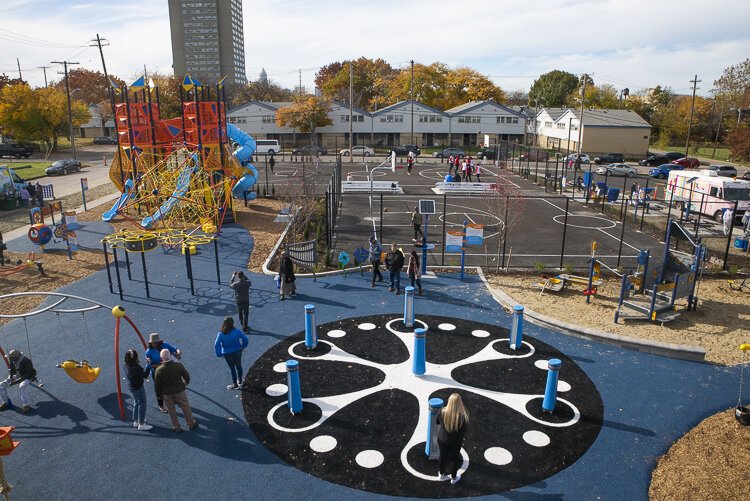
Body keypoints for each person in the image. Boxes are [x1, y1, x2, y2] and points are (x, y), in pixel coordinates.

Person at [153, 349, 197, 433]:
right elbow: (187, 376)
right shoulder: (178, 365)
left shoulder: (158, 370)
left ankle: (176, 427)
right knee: (185, 406)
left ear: (161, 358)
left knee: (171, 410)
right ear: (170, 356)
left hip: (166, 393)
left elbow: (157, 385)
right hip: (179, 390)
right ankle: (191, 423)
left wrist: (159, 395)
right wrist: (185, 383)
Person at [437, 393, 469, 485]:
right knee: (453, 459)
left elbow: (437, 422)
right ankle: (454, 478)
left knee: (442, 457)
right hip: (455, 442)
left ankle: (441, 474)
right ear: (460, 403)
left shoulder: (442, 411)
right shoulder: (463, 416)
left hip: (442, 439)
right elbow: (464, 430)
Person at [145, 333, 181, 413]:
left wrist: (178, 353)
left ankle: (174, 399)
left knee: (171, 384)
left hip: (167, 371)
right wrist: (162, 365)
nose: (154, 344)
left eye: (156, 342)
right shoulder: (149, 352)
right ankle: (161, 406)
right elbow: (150, 365)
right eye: (153, 343)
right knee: (159, 390)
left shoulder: (165, 345)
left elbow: (176, 349)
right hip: (157, 373)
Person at [214, 316, 249, 390]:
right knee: (239, 365)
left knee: (232, 368)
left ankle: (235, 384)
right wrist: (243, 347)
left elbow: (216, 344)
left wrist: (219, 354)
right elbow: (245, 339)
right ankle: (240, 380)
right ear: (232, 323)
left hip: (227, 353)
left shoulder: (220, 334)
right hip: (237, 351)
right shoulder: (237, 331)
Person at [124, 350, 152, 431]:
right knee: (142, 403)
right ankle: (141, 424)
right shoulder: (136, 368)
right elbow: (145, 375)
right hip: (138, 387)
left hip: (132, 387)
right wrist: (148, 365)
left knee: (136, 402)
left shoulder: (126, 365)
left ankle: (136, 420)